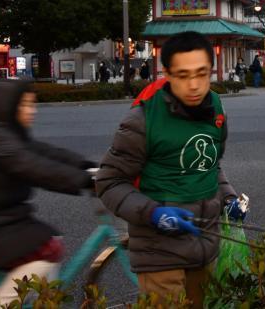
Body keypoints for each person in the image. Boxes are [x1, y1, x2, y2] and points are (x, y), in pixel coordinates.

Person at [96, 31, 247, 307]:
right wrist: (154, 214)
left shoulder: (215, 107)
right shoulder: (142, 120)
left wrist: (228, 198)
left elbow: (209, 165)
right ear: (167, 73)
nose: (194, 85)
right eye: (183, 75)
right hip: (159, 253)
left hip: (205, 246)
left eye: (201, 74)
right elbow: (109, 182)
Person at [0, 79, 95, 304]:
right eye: (26, 105)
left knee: (49, 239)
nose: (33, 110)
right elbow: (34, 167)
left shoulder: (4, 132)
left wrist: (86, 166)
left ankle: (42, 301)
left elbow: (45, 154)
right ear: (8, 106)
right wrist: (85, 181)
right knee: (49, 249)